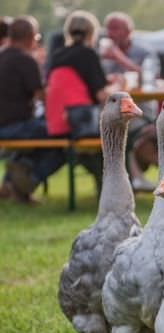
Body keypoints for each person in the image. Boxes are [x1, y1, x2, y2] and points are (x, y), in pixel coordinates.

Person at [45, 10, 117, 194]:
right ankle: (114, 188)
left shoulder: (57, 55)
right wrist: (118, 86)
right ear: (93, 32)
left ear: (68, 32)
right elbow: (102, 96)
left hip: (55, 120)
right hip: (79, 123)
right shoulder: (88, 54)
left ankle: (106, 187)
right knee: (121, 135)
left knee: (84, 149)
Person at [0, 16, 64, 203]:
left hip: (6, 126)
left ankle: (12, 182)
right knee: (65, 138)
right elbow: (42, 96)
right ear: (30, 37)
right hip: (17, 126)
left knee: (36, 143)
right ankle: (29, 179)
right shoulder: (26, 61)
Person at [101, 11, 158, 192]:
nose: (111, 33)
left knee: (128, 126)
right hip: (112, 110)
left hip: (141, 109)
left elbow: (150, 79)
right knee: (115, 125)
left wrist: (119, 58)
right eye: (108, 28)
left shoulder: (144, 51)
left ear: (129, 31)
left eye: (116, 28)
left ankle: (135, 178)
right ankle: (134, 178)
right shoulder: (100, 54)